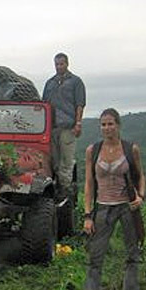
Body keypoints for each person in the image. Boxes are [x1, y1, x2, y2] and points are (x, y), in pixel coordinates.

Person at [81, 108, 146, 290]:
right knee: (95, 256)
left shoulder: (130, 149)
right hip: (103, 207)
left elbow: (141, 175)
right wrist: (88, 215)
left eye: (110, 124)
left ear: (118, 125)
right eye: (103, 124)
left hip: (127, 207)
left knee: (132, 256)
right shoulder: (93, 150)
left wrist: (141, 196)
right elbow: (89, 183)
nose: (107, 128)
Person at [42, 52, 86, 203]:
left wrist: (78, 123)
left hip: (68, 126)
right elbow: (44, 104)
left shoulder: (76, 82)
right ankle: (56, 189)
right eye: (57, 64)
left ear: (67, 64)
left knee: (66, 162)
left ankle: (65, 192)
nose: (59, 67)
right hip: (52, 128)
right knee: (54, 161)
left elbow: (80, 104)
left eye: (61, 64)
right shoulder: (50, 83)